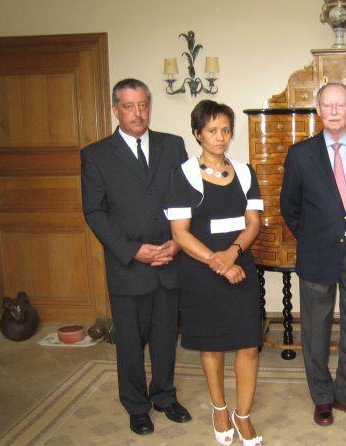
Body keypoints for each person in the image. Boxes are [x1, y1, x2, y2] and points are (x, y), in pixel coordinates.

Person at [81, 78, 191, 435]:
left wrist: (179, 241)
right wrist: (133, 251)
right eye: (129, 106)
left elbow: (186, 199)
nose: (137, 113)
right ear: (116, 110)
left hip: (169, 258)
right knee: (129, 341)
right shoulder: (96, 155)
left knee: (164, 335)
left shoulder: (172, 146)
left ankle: (163, 395)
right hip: (128, 264)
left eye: (143, 105)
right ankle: (136, 404)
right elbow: (95, 212)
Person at [280, 83, 346, 427]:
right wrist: (314, 236)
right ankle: (322, 397)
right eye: (328, 105)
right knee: (315, 330)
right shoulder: (300, 154)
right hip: (316, 254)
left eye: (341, 105)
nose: (335, 111)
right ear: (318, 110)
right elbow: (289, 206)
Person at [165, 100, 263, 446]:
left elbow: (253, 224)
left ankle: (243, 415)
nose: (220, 137)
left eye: (225, 130)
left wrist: (232, 255)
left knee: (249, 345)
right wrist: (217, 262)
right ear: (197, 134)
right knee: (213, 345)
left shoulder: (246, 172)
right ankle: (220, 408)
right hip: (201, 271)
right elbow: (180, 233)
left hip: (241, 267)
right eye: (212, 130)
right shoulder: (184, 175)